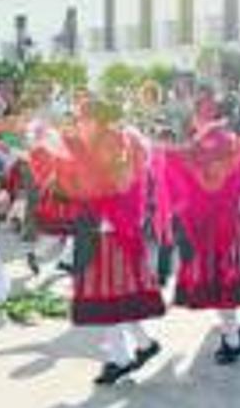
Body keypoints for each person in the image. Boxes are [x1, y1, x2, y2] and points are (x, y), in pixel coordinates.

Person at [30, 96, 164, 385]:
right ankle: (140, 346)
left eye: (83, 118)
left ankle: (123, 357)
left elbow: (108, 181)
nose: (78, 123)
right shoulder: (93, 142)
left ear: (97, 120)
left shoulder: (114, 143)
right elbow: (69, 173)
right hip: (96, 227)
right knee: (109, 297)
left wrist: (66, 154)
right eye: (77, 118)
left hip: (112, 230)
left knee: (107, 297)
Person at [153, 88, 240, 365]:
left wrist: (164, 153)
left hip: (212, 222)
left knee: (218, 279)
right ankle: (234, 330)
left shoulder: (211, 141)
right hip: (226, 219)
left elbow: (197, 168)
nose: (192, 119)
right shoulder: (228, 139)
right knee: (225, 276)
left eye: (194, 113)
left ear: (201, 114)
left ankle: (233, 340)